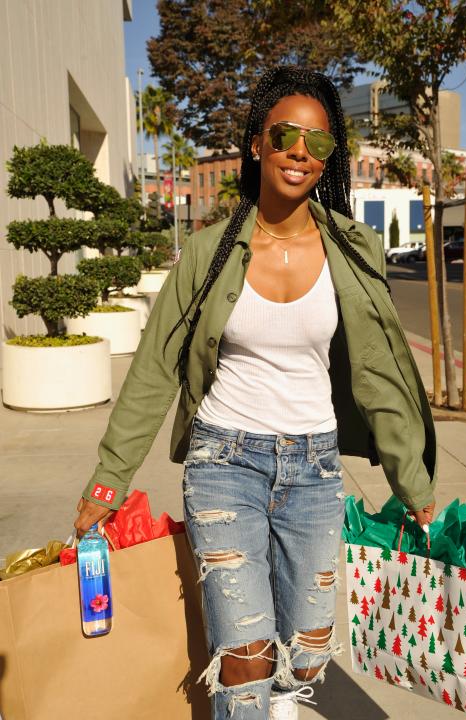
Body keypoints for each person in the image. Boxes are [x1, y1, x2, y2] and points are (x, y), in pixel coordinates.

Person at [75, 65, 436, 720]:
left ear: (328, 158)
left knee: (308, 651)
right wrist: (108, 482)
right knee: (244, 654)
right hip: (225, 463)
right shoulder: (209, 253)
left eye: (317, 142)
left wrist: (414, 486)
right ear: (257, 143)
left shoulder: (355, 248)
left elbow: (380, 372)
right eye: (285, 135)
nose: (300, 152)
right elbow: (154, 368)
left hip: (315, 468)